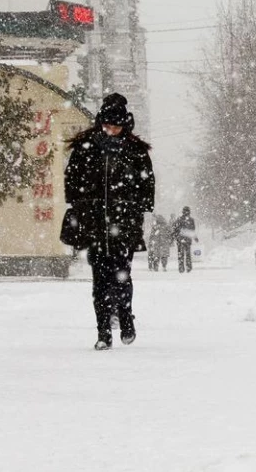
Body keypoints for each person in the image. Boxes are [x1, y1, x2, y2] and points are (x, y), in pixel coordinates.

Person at [64, 93, 154, 350]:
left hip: (123, 226)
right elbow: (72, 182)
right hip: (95, 226)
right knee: (100, 281)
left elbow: (146, 186)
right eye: (107, 125)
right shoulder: (86, 147)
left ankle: (126, 319)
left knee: (122, 277)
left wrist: (133, 209)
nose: (111, 130)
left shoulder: (135, 151)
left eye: (116, 126)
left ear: (125, 125)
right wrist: (83, 205)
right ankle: (103, 332)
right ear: (100, 123)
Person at [171, 206, 197, 273]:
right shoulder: (191, 220)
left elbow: (174, 229)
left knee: (180, 255)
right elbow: (192, 230)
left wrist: (174, 237)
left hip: (180, 240)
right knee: (188, 254)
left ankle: (181, 268)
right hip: (187, 240)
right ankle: (188, 267)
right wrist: (195, 238)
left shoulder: (179, 219)